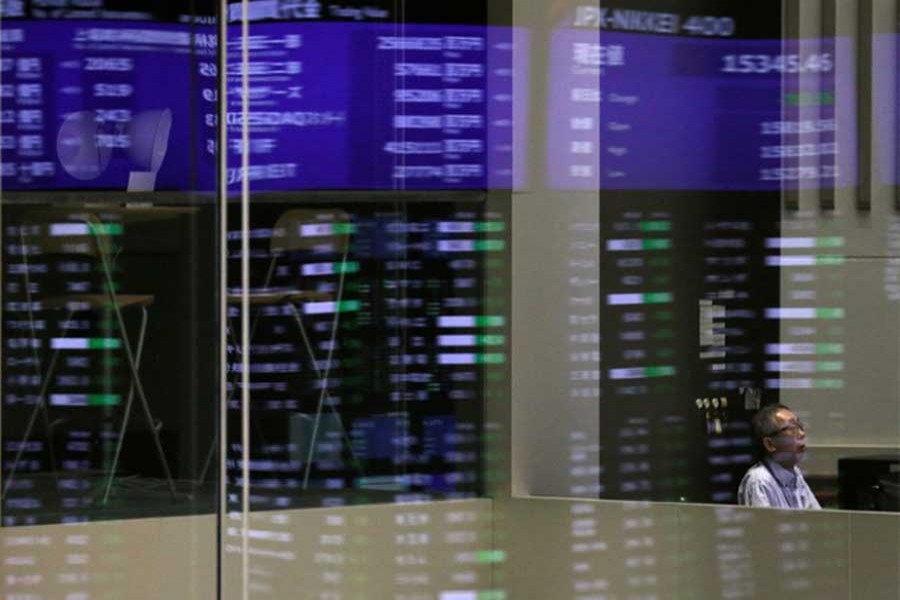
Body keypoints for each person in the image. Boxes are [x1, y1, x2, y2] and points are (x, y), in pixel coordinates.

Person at [737, 403, 821, 509]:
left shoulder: (795, 473)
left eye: (799, 426)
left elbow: (815, 518)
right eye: (792, 428)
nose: (802, 433)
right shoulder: (760, 481)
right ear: (770, 444)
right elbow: (764, 525)